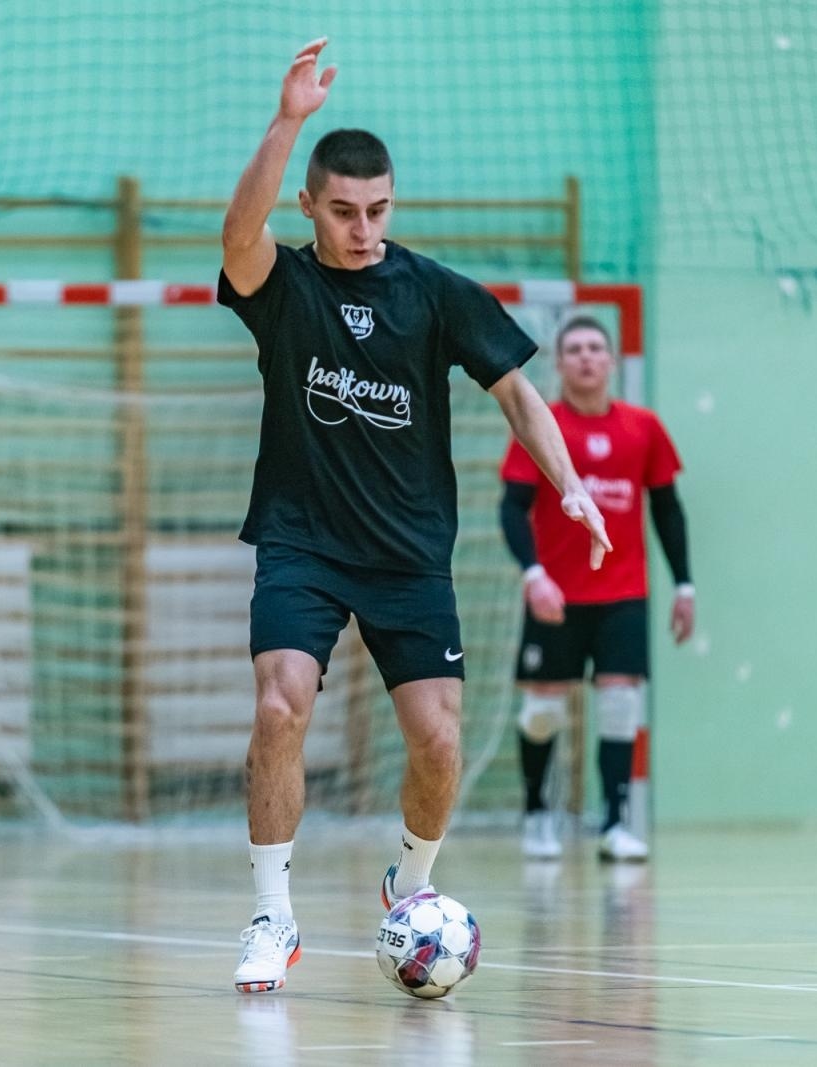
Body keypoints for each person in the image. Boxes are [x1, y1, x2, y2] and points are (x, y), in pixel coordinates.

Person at [219, 38, 610, 993]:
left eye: (378, 210)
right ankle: (273, 912)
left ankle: (414, 884)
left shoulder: (431, 292)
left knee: (438, 739)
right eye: (344, 211)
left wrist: (567, 483)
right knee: (281, 703)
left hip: (407, 554)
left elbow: (518, 394)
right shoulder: (287, 289)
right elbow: (236, 238)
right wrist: (288, 122)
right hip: (303, 541)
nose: (363, 229)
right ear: (309, 206)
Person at [499, 315, 694, 863]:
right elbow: (512, 508)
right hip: (556, 596)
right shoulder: (543, 427)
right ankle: (537, 814)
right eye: (575, 349)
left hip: (623, 594)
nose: (586, 357)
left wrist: (685, 586)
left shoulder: (644, 427)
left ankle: (615, 822)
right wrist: (533, 575)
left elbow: (668, 510)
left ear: (611, 361)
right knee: (542, 714)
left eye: (595, 348)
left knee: (619, 705)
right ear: (559, 364)